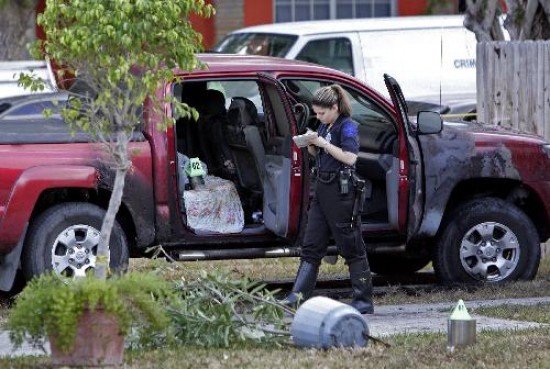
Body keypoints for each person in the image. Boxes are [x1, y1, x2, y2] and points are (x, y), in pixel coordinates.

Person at [285, 84, 374, 314]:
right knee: (311, 245)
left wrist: (324, 143)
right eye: (316, 113)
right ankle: (297, 297)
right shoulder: (327, 125)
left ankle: (363, 300)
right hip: (322, 190)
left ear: (335, 107)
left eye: (322, 113)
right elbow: (323, 153)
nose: (318, 116)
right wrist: (311, 144)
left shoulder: (348, 127)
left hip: (341, 192)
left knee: (351, 245)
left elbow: (350, 158)